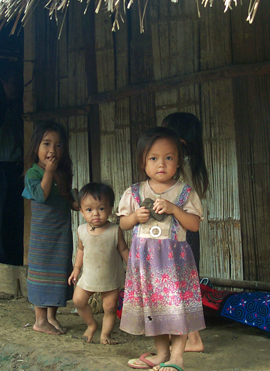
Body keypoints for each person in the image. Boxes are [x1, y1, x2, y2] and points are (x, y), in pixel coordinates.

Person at [118, 127, 205, 371]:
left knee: (177, 309)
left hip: (174, 265)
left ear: (178, 161)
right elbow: (123, 223)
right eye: (153, 158)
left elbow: (194, 225)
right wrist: (135, 217)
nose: (162, 164)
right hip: (145, 264)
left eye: (169, 158)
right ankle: (161, 353)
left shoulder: (184, 192)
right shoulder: (134, 192)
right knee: (154, 308)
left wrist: (174, 209)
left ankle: (177, 358)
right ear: (142, 161)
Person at [22, 121, 77, 335]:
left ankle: (52, 316)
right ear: (36, 147)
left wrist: (79, 203)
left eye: (58, 145)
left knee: (59, 271)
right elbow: (41, 195)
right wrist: (50, 172)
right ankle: (39, 320)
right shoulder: (33, 174)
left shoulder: (63, 173)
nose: (52, 150)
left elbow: (67, 199)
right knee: (41, 272)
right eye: (46, 144)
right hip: (42, 236)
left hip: (61, 232)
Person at [162, 112, 210, 353]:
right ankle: (188, 336)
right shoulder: (192, 164)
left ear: (179, 141)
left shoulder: (179, 167)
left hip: (180, 234)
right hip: (187, 234)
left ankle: (193, 339)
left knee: (180, 285)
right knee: (183, 284)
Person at [68, 182, 129, 345]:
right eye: (89, 210)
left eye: (101, 209)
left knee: (109, 307)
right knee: (78, 300)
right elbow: (80, 250)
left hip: (110, 278)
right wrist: (76, 269)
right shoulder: (81, 230)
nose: (95, 214)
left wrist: (132, 266)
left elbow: (123, 250)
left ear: (110, 209)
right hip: (89, 275)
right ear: (81, 212)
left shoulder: (115, 230)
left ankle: (105, 335)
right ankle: (91, 324)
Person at [0, 70, 24, 265]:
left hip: (16, 169)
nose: (16, 88)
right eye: (12, 83)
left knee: (14, 217)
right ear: (2, 82)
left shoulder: (19, 109)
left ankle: (13, 259)